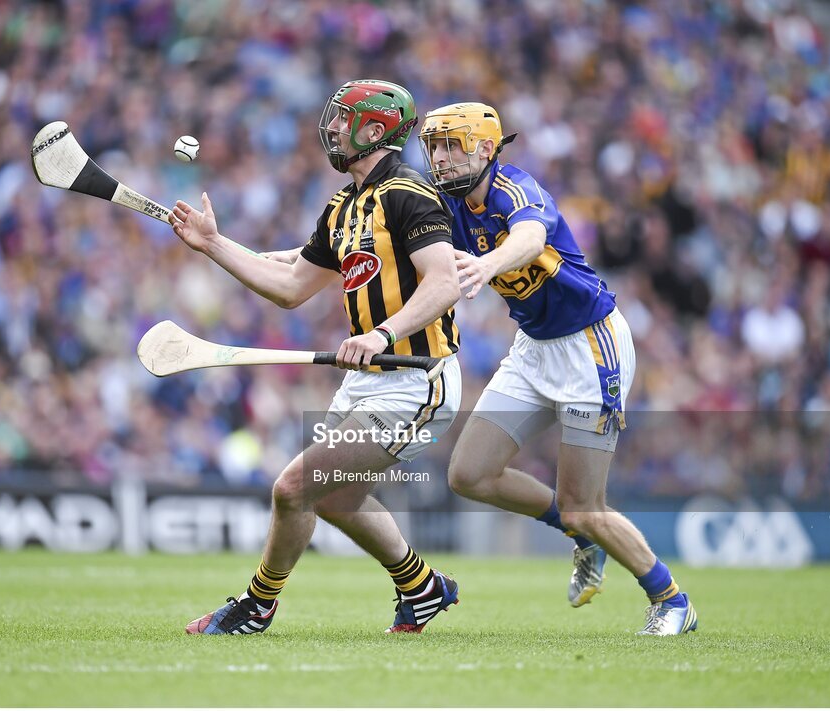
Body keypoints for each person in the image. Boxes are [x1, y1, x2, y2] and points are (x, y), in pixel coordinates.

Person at [169, 80, 463, 635]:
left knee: (294, 488)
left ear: (374, 131)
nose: (329, 128)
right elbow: (290, 285)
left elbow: (444, 281)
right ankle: (421, 588)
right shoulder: (343, 206)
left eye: (340, 120)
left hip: (416, 378)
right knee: (335, 497)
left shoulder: (409, 193)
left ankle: (256, 607)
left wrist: (383, 333)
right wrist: (212, 244)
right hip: (367, 381)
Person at [418, 102, 697, 636]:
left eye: (453, 145)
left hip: (590, 347)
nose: (442, 158)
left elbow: (530, 238)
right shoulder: (445, 205)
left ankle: (671, 599)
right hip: (534, 348)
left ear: (484, 148)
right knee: (469, 474)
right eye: (434, 146)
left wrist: (488, 264)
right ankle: (582, 537)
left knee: (584, 505)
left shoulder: (515, 189)